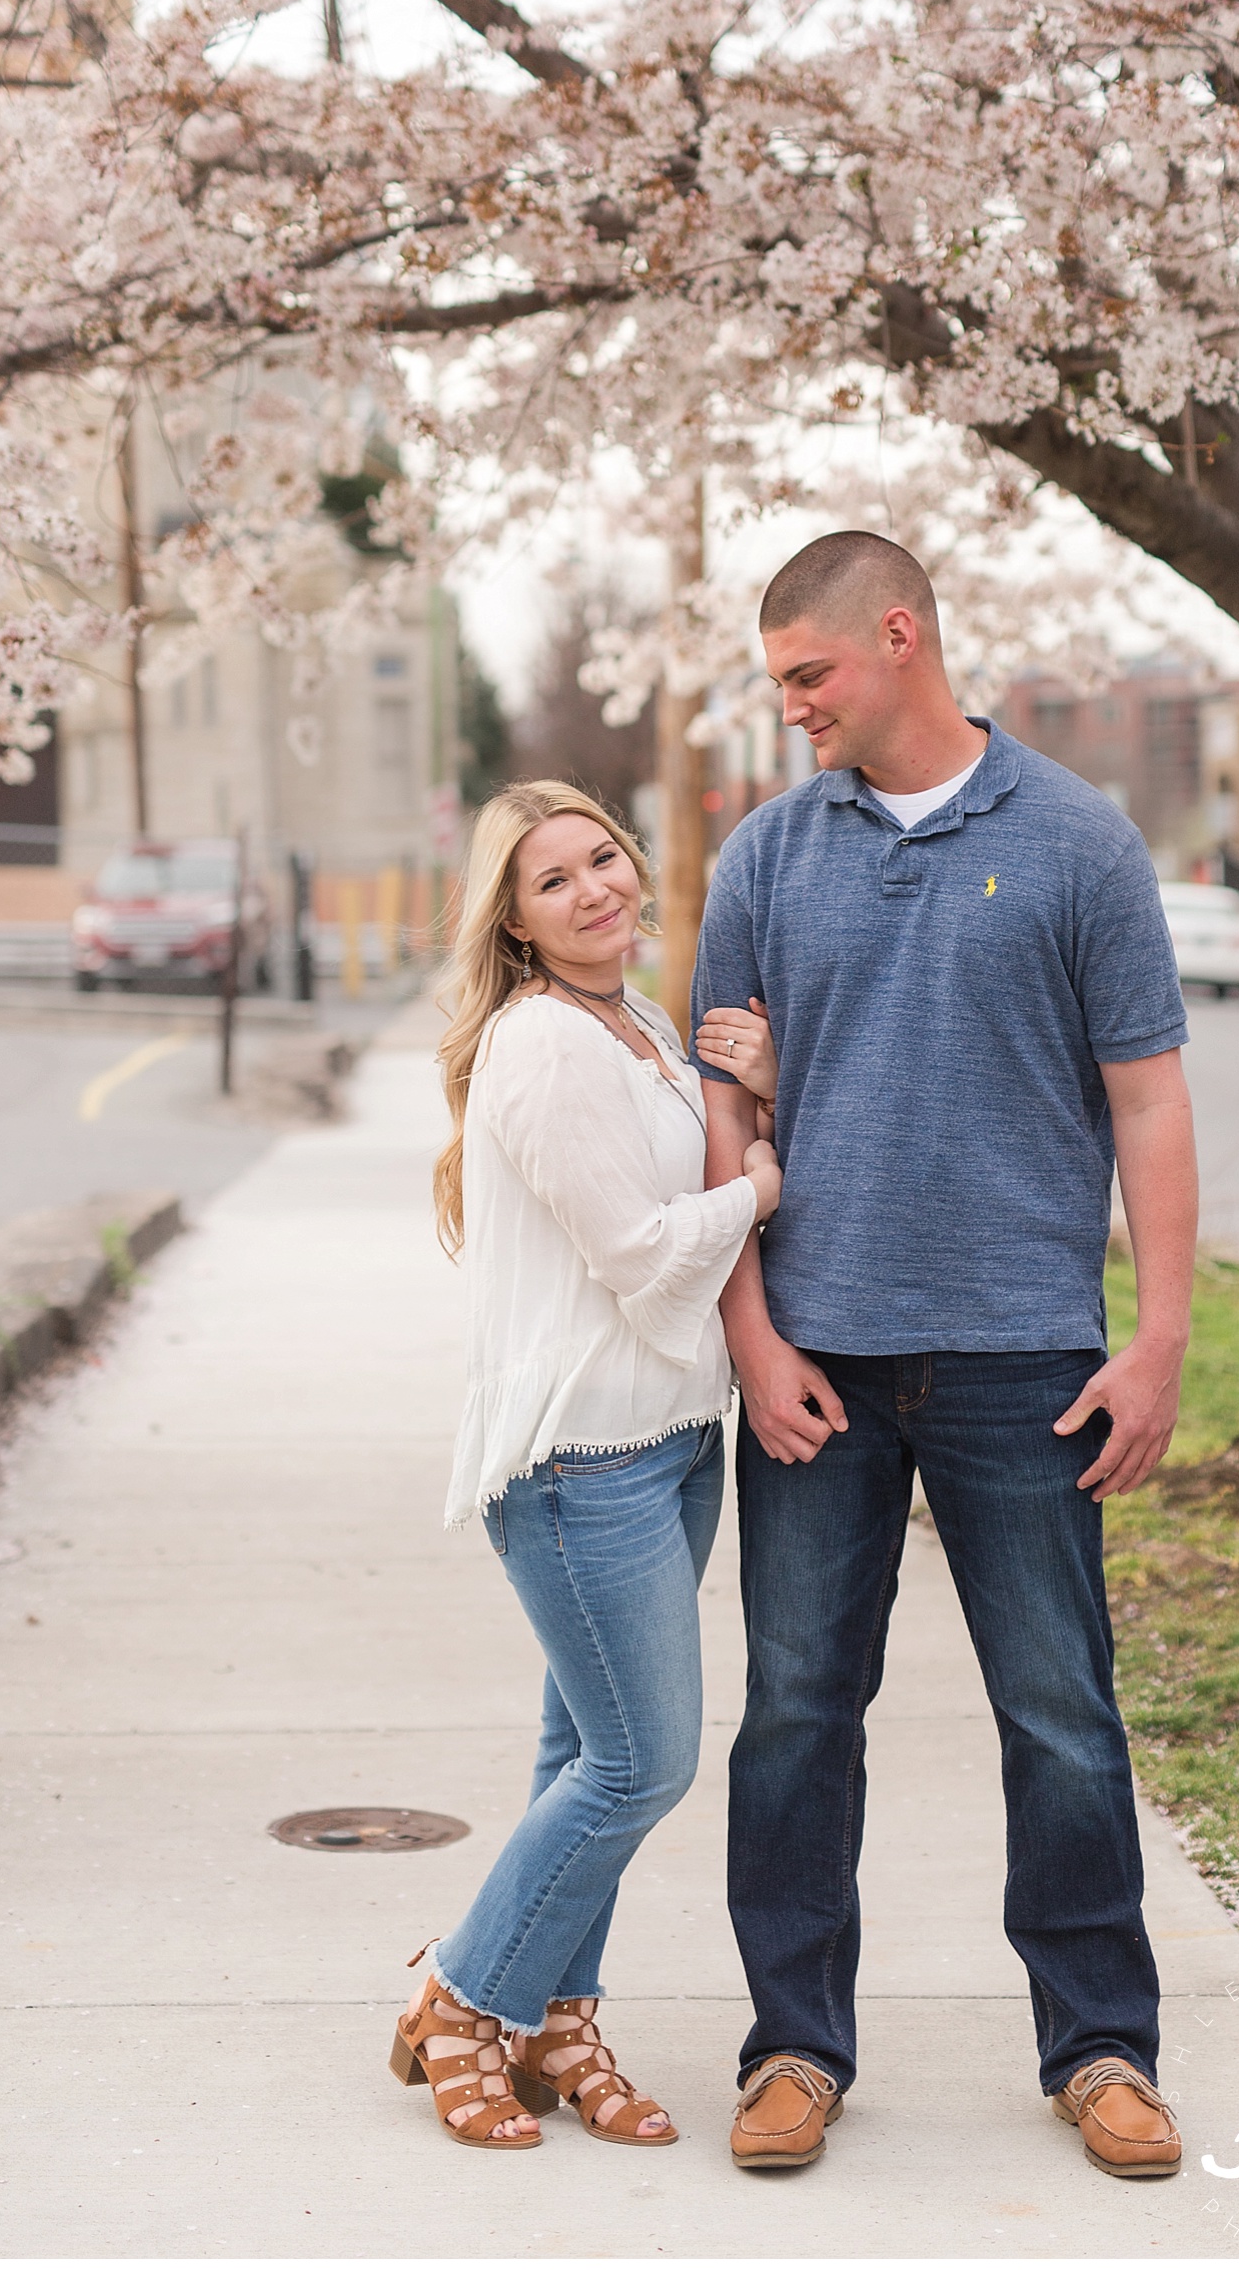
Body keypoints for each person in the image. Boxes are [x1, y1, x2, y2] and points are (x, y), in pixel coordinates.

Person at [691, 532, 1196, 2181]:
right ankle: (792, 2047)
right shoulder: (764, 855)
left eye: (810, 676)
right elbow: (726, 1113)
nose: (793, 711)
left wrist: (1163, 1337)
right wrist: (752, 1333)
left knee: (1060, 1713)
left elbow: (1149, 1099)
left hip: (1022, 1358)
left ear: (899, 636)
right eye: (780, 684)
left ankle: (1104, 2043)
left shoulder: (1078, 841)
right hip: (819, 1360)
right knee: (793, 1715)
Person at [390, 779, 782, 2151]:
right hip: (579, 1463)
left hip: (668, 1443)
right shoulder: (545, 1046)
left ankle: (560, 2015)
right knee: (639, 1762)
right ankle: (463, 1995)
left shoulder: (638, 1027)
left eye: (602, 855)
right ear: (513, 918)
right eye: (552, 880)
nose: (595, 888)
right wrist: (758, 1189)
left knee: (584, 1755)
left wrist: (749, 1098)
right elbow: (642, 1254)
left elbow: (665, 1198)